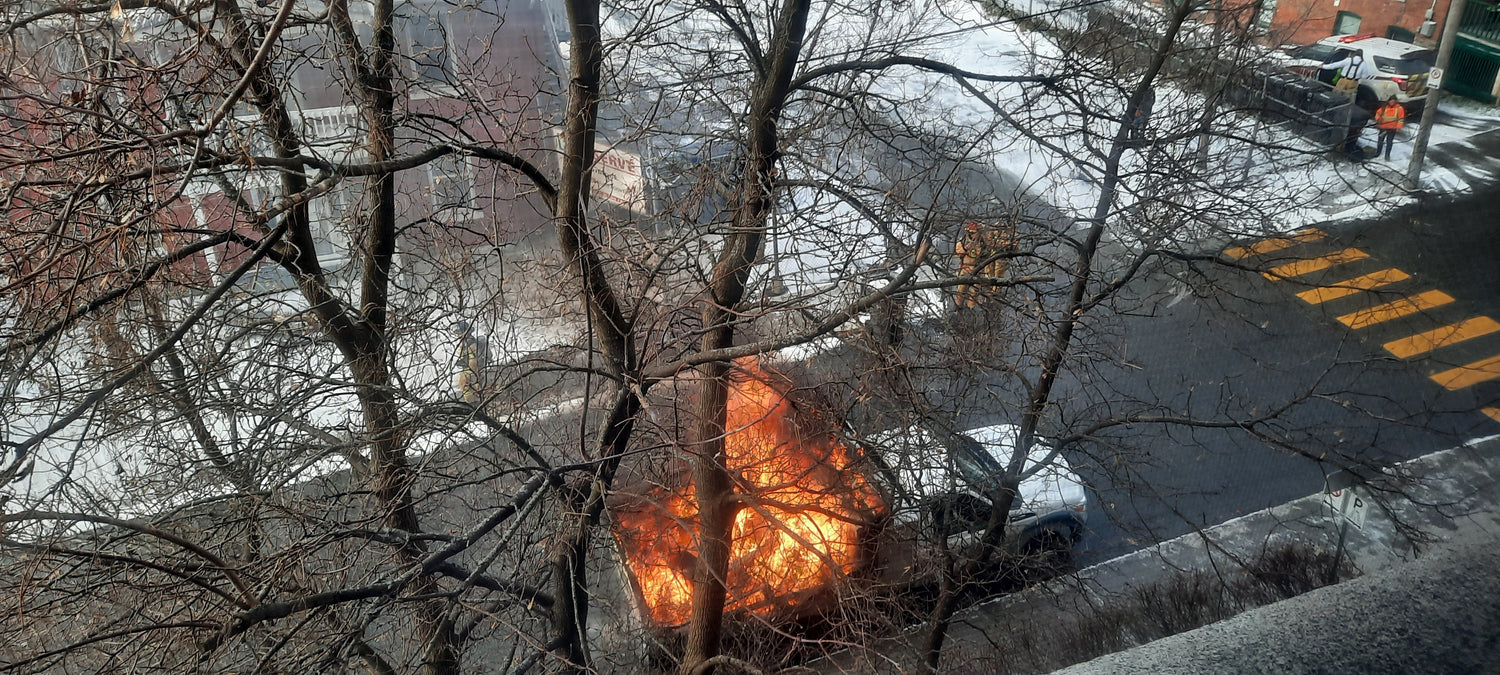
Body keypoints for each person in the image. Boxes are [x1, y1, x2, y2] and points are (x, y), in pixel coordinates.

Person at [1374, 96, 1406, 161]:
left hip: (1392, 128)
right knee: (1380, 141)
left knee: (1389, 142)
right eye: (1391, 101)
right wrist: (1378, 119)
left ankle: (1387, 156)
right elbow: (1377, 114)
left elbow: (1401, 119)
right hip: (1383, 127)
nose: (1392, 102)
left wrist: (1398, 127)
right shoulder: (1384, 107)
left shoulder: (1399, 108)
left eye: (1393, 101)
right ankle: (1377, 153)